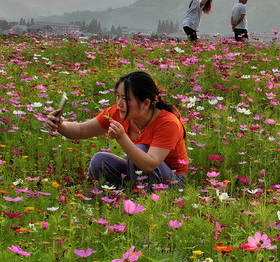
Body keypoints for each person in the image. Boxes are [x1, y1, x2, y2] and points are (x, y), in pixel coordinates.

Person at [45, 71, 188, 189]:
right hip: (138, 173)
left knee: (139, 149)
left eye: (125, 98)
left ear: (145, 103)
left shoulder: (167, 122)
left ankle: (142, 197)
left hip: (172, 181)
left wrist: (121, 137)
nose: (119, 103)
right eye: (118, 96)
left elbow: (149, 165)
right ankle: (128, 193)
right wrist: (60, 125)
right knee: (99, 161)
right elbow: (81, 130)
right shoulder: (118, 113)